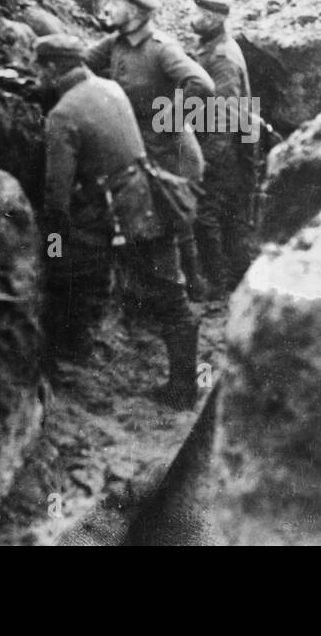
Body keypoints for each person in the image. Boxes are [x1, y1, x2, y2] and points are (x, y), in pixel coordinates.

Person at [38, 34, 200, 409]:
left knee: (70, 274)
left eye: (39, 69)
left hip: (122, 216)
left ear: (49, 69)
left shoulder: (63, 116)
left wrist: (53, 245)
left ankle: (74, 358)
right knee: (170, 291)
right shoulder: (108, 86)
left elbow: (56, 197)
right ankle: (184, 382)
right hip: (149, 198)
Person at [85, 0, 215, 300]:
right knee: (158, 224)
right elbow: (81, 64)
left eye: (116, 3)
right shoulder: (115, 43)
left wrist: (166, 122)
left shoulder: (161, 50)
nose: (109, 8)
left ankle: (189, 293)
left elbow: (200, 84)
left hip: (173, 154)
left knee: (172, 223)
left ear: (136, 13)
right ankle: (170, 294)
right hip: (144, 151)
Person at [188, 0, 255, 298]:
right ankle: (239, 280)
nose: (192, 17)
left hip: (222, 148)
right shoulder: (212, 47)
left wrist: (207, 159)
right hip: (226, 145)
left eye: (197, 13)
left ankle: (217, 286)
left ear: (212, 19)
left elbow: (226, 116)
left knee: (207, 214)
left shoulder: (222, 58)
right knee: (230, 216)